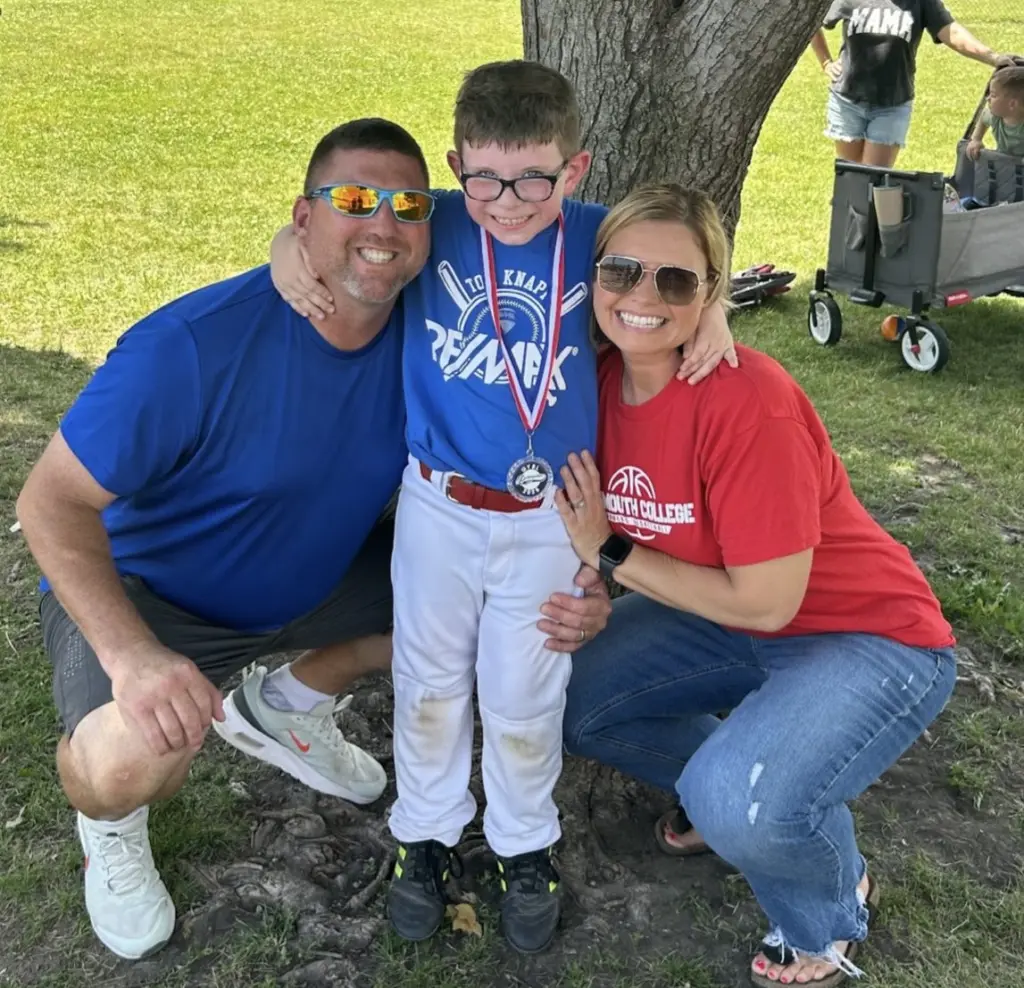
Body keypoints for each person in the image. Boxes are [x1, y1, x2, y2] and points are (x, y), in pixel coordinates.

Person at [14, 117, 611, 963]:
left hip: (315, 579)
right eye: (354, 202)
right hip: (158, 599)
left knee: (472, 630)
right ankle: (110, 830)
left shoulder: (421, 322)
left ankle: (284, 704)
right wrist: (131, 656)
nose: (383, 225)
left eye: (407, 207)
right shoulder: (188, 349)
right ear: (303, 217)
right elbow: (48, 502)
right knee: (127, 758)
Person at [269, 61, 738, 954]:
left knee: (527, 692)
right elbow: (320, 229)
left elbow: (675, 278)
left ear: (576, 168)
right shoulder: (433, 224)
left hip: (554, 512)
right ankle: (425, 834)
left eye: (533, 177)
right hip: (439, 503)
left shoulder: (603, 241)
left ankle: (526, 845)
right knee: (431, 681)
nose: (508, 200)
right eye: (483, 177)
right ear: (454, 166)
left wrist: (714, 318)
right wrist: (283, 248)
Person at [556, 183, 957, 987]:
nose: (643, 296)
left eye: (677, 282)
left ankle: (827, 911)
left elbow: (770, 602)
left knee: (746, 802)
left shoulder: (749, 401)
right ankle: (740, 795)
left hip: (867, 636)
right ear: (590, 279)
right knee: (570, 699)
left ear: (710, 294)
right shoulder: (590, 380)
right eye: (623, 271)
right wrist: (592, 579)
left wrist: (612, 557)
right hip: (726, 615)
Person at [809, 1, 1010, 167]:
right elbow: (809, 21)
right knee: (850, 179)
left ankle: (872, 217)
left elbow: (952, 33)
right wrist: (825, 62)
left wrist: (993, 58)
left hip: (892, 104)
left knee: (874, 179)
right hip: (847, 101)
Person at [967, 66, 1024, 160]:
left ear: (1012, 104)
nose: (988, 99)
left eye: (993, 95)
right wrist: (976, 139)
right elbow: (983, 117)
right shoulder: (994, 117)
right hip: (1004, 167)